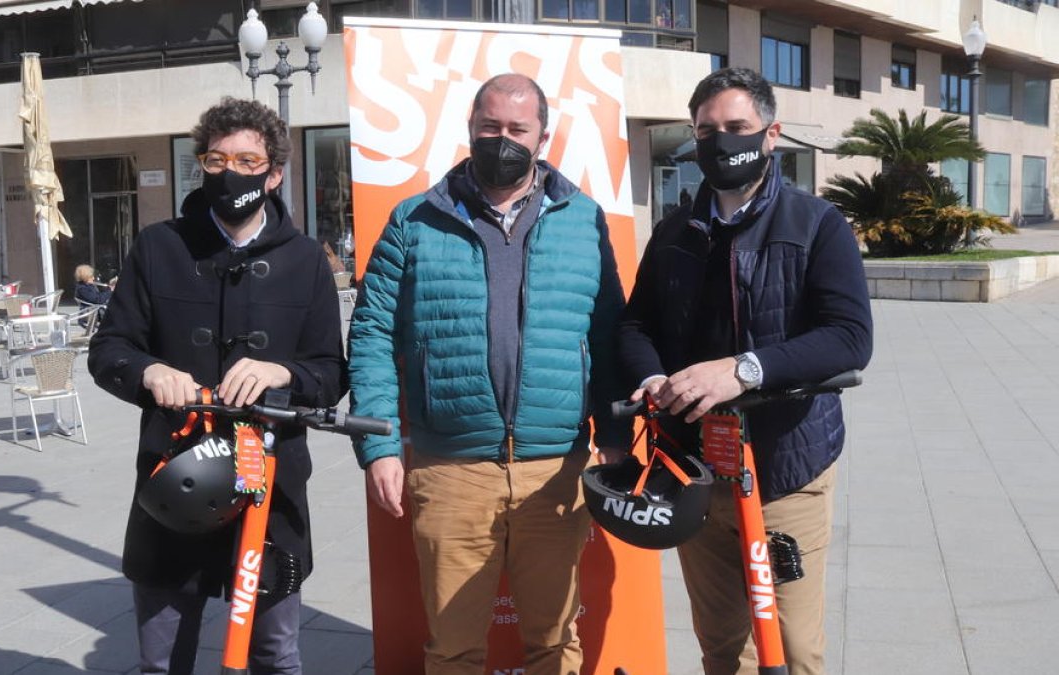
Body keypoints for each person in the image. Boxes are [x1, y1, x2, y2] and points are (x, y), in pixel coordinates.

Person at [348, 73, 632, 674]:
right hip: (451, 470)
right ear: (470, 129)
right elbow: (371, 332)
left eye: (517, 129)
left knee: (555, 643)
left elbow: (608, 334)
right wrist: (378, 444)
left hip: (555, 469)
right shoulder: (414, 220)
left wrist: (613, 435)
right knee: (453, 648)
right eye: (490, 126)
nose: (502, 140)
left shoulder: (583, 218)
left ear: (542, 137)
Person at [617, 67, 874, 675]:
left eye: (737, 126)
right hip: (695, 469)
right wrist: (653, 379)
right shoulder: (674, 232)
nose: (721, 141)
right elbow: (636, 325)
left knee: (792, 650)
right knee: (721, 648)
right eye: (707, 131)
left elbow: (849, 337)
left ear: (770, 135)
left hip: (785, 468)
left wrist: (744, 370)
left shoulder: (817, 224)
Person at [88, 97, 345, 675]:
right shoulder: (158, 246)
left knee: (275, 652)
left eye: (248, 161)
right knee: (161, 659)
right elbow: (108, 350)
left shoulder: (306, 259)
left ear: (274, 173)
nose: (231, 172)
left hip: (268, 485)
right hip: (174, 474)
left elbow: (330, 372)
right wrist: (149, 371)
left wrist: (283, 373)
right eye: (216, 159)